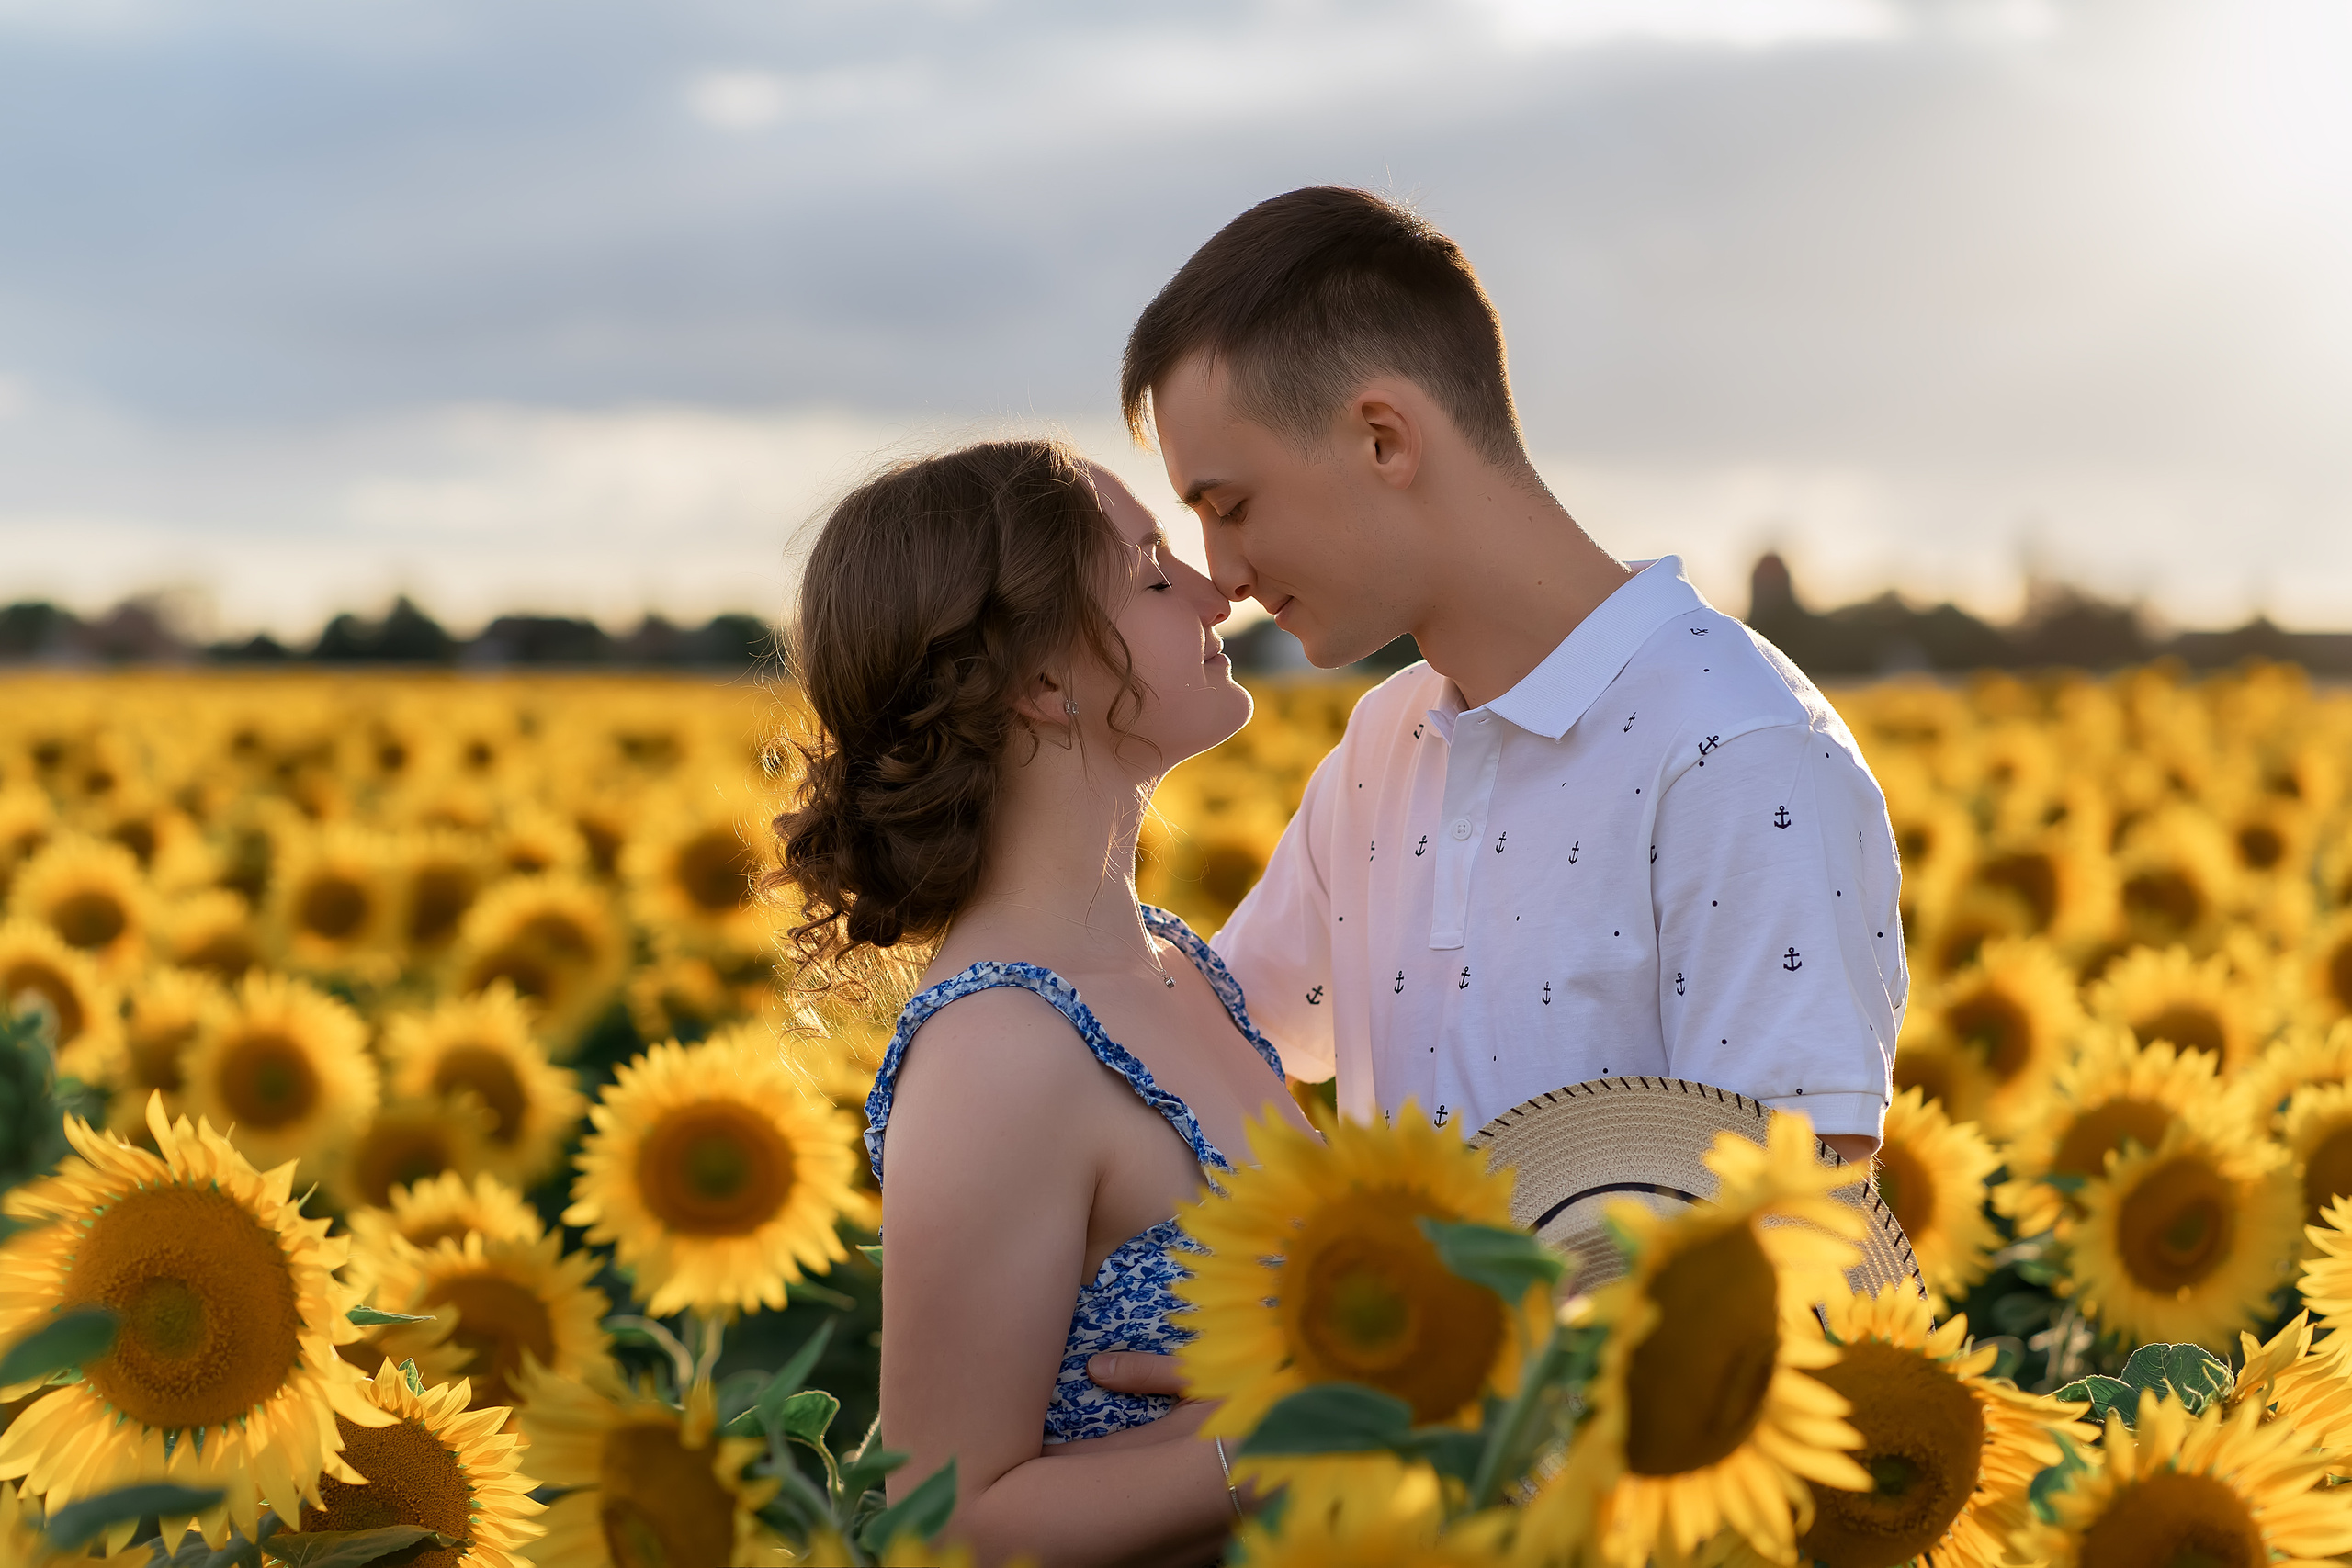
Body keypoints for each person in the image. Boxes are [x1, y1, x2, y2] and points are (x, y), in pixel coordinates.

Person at [1089, 186, 1904, 1404]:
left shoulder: (1740, 756)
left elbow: (1785, 1247)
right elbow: (1216, 1036)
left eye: (1230, 504)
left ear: (1384, 438)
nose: (1226, 575)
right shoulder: (1384, 744)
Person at [772, 438, 1307, 1567]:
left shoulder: (1176, 963)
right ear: (1043, 684)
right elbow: (948, 1521)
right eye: (1157, 575)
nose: (1219, 593)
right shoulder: (999, 1053)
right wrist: (1286, 1448)